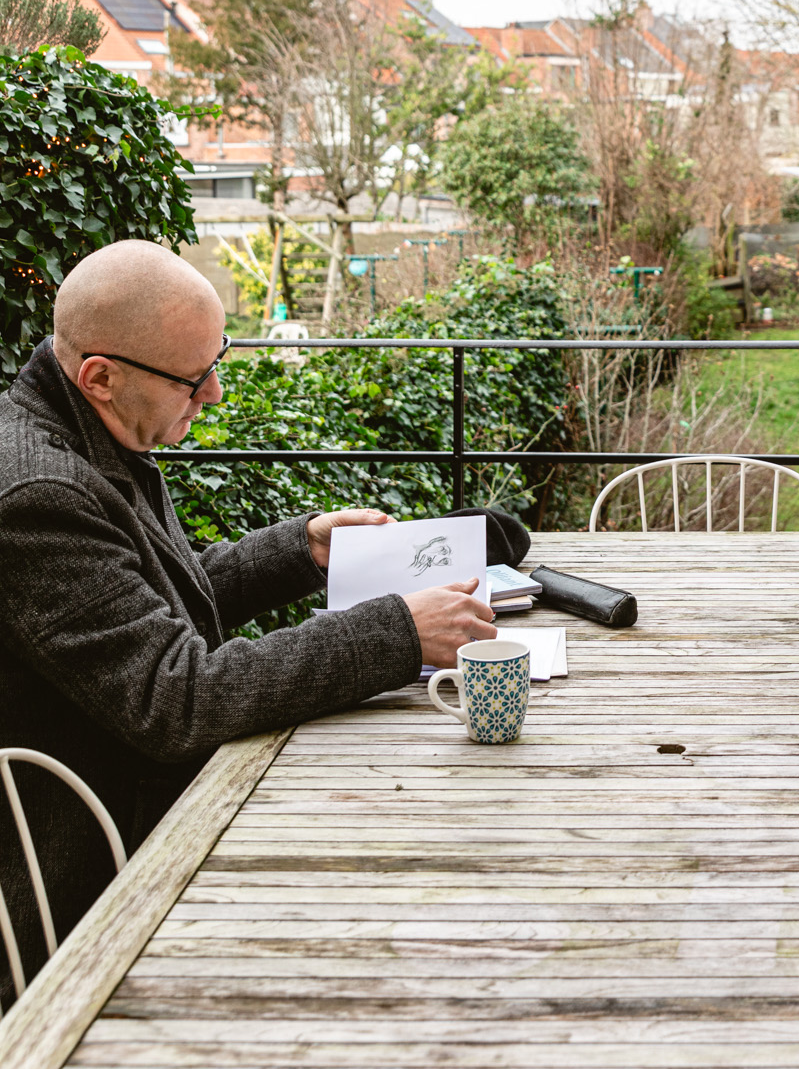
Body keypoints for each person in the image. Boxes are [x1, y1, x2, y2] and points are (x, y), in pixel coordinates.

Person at [0, 240, 500, 995]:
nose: (215, 393)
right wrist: (396, 630)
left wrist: (297, 551)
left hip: (158, 820)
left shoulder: (88, 430)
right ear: (100, 376)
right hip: (100, 889)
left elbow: (153, 600)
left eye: (217, 360)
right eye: (195, 376)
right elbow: (175, 697)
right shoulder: (40, 493)